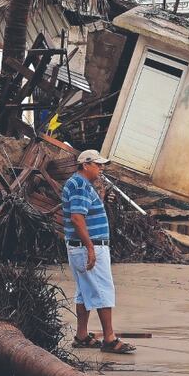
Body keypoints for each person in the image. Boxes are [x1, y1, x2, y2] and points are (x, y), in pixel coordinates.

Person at [63, 149, 135, 354]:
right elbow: (77, 218)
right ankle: (110, 339)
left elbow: (84, 213)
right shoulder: (79, 185)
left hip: (84, 246)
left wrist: (99, 197)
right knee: (103, 290)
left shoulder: (83, 185)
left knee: (84, 292)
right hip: (88, 246)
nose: (101, 168)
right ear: (86, 165)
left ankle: (82, 335)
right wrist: (90, 248)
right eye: (98, 164)